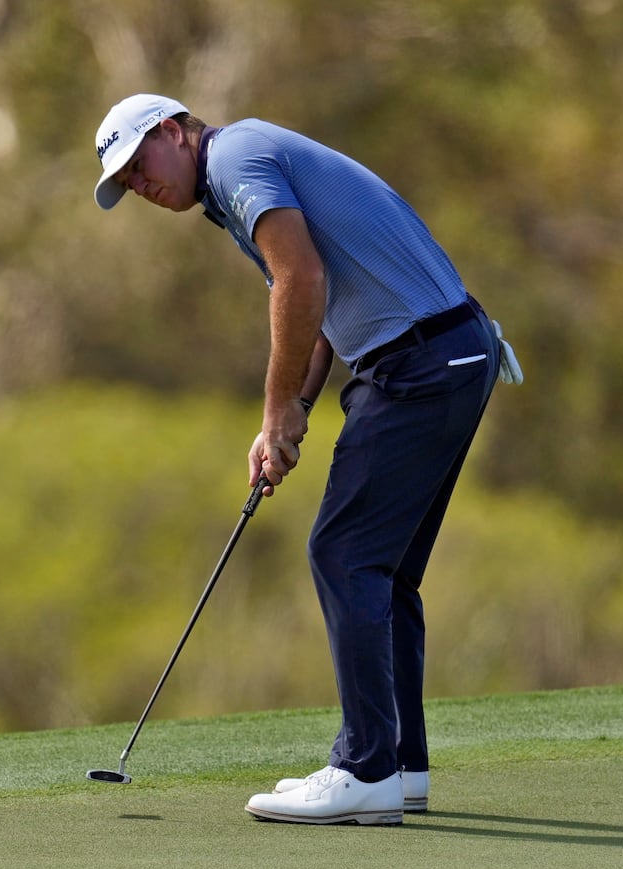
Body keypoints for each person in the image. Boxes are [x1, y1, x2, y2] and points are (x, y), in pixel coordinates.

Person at [92, 93, 520, 825]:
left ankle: (365, 769)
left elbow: (301, 282)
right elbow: (315, 311)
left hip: (421, 364)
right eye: (126, 184)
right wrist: (290, 418)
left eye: (139, 165)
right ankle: (401, 765)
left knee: (343, 552)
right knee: (382, 571)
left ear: (171, 130)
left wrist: (275, 407)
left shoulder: (232, 159)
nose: (140, 186)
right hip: (452, 353)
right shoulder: (231, 189)